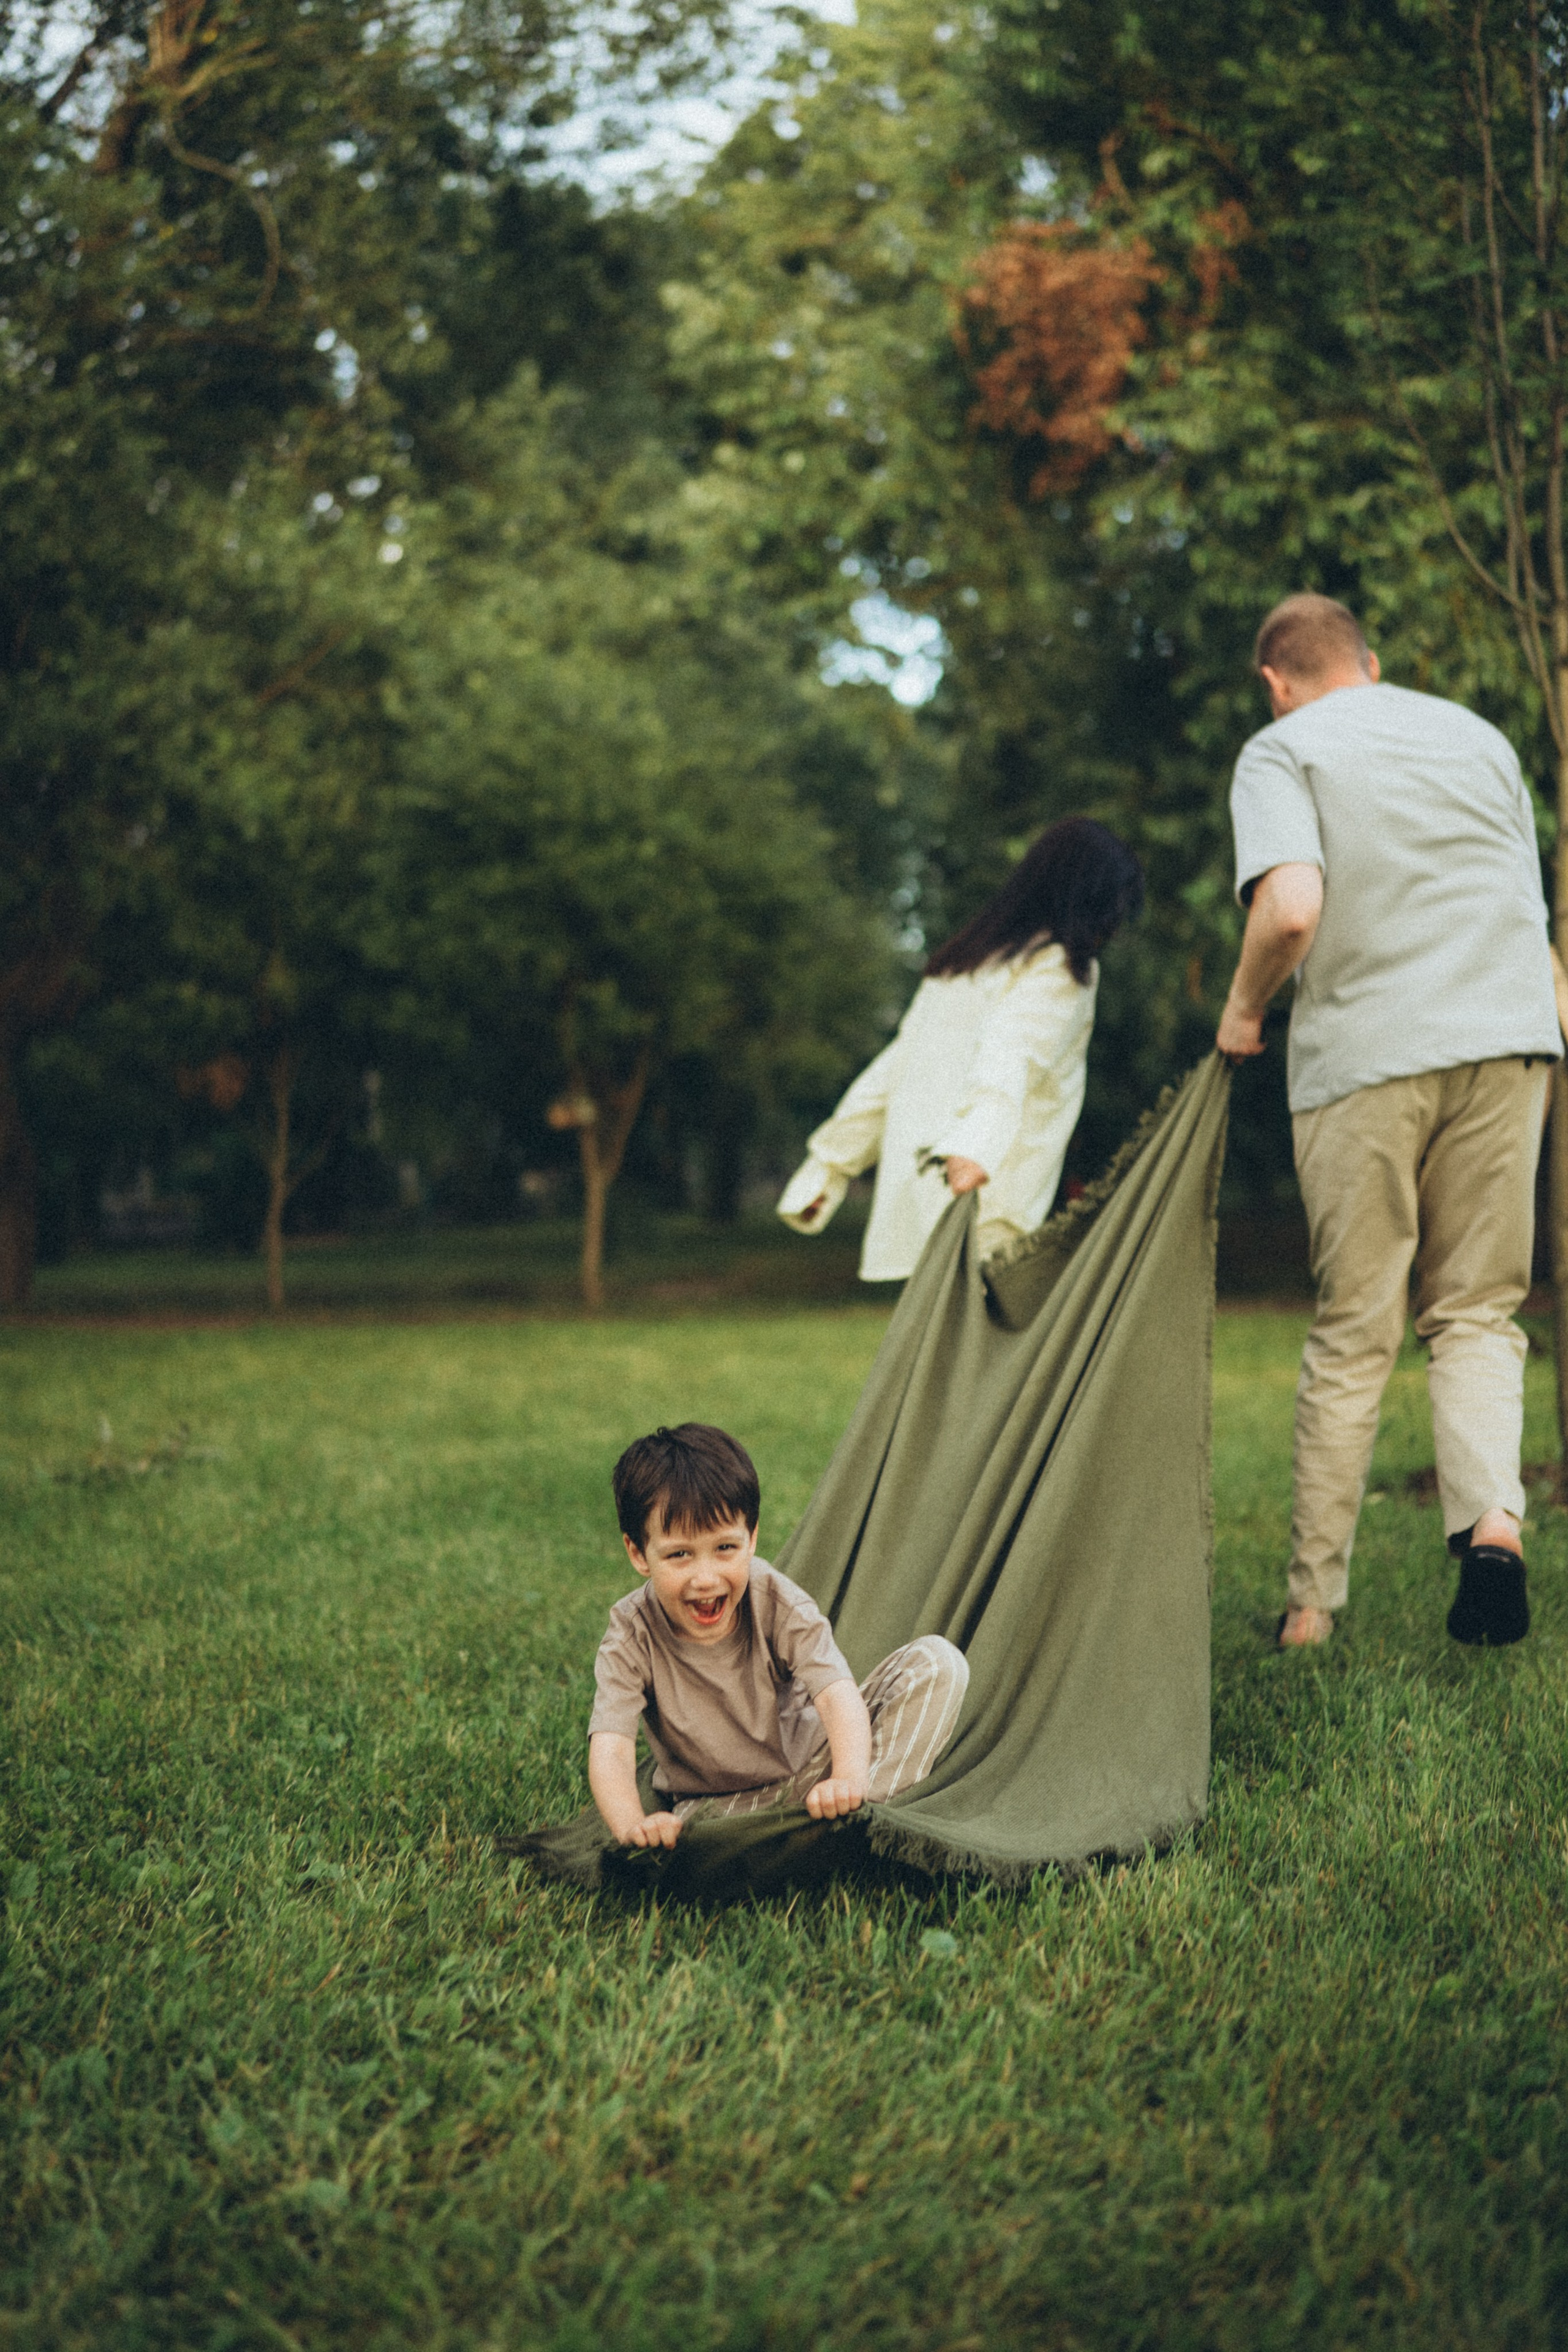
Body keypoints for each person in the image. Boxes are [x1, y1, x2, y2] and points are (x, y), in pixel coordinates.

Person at [1216, 592, 1560, 1649]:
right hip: (1510, 1042)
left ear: (1276, 682)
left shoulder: (1282, 750)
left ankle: (1314, 1610)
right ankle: (1494, 1525)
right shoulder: (1480, 738)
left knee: (1357, 1330)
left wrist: (1242, 1010)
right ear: (1373, 659)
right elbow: (1527, 908)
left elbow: (1291, 908)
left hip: (1368, 1058)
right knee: (1477, 1313)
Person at [776, 817, 1145, 1279]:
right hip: (985, 1195)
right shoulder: (1059, 968)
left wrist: (827, 1169)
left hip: (931, 1188)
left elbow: (892, 1072)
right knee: (975, 1348)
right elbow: (1013, 1053)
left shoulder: (962, 964)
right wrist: (974, 1148)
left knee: (939, 1347)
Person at [587, 1422, 968, 1848]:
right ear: (639, 1554)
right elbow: (612, 1747)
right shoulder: (630, 1633)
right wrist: (632, 1829)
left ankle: (861, 1811)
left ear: (751, 1538)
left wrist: (847, 1778)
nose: (706, 1577)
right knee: (693, 1839)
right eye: (680, 1555)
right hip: (718, 1803)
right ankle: (808, 1831)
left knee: (938, 1662)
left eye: (725, 1548)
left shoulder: (774, 1599)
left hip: (814, 1768)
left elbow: (837, 1694)